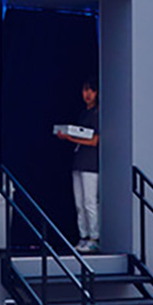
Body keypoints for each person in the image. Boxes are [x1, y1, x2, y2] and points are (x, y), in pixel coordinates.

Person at [55, 78, 99, 252]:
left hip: (91, 164)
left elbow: (94, 141)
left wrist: (70, 138)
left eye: (91, 90)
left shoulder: (97, 113)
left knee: (90, 202)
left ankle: (94, 237)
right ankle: (83, 236)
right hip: (78, 162)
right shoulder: (83, 113)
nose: (88, 94)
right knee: (79, 203)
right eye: (85, 90)